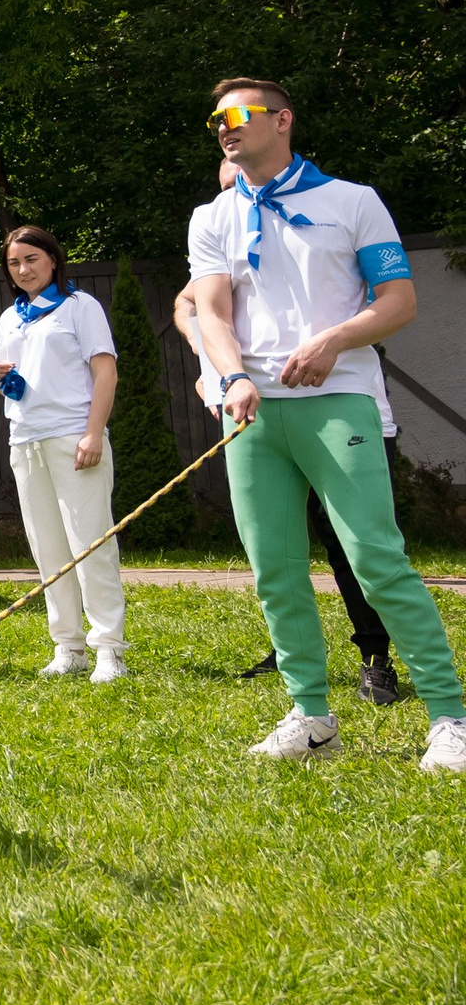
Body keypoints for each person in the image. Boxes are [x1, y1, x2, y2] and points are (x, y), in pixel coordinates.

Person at [186, 79, 460, 769]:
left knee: (375, 561)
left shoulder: (352, 201)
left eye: (239, 114)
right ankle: (311, 715)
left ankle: (451, 716)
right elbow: (212, 313)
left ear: (282, 120)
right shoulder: (212, 217)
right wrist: (233, 376)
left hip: (339, 401)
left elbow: (399, 300)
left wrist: (334, 340)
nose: (225, 125)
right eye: (216, 118)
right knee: (275, 568)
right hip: (250, 412)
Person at [177, 282, 404, 702]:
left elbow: (395, 302)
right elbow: (187, 301)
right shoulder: (231, 235)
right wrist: (208, 356)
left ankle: (376, 660)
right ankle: (292, 653)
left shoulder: (324, 233)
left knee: (352, 547)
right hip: (265, 420)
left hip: (346, 411)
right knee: (276, 550)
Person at [0, 226, 127, 682]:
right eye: (14, 263)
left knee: (90, 545)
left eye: (31, 259)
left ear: (52, 259)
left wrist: (93, 433)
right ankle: (68, 645)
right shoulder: (10, 317)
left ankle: (109, 648)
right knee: (48, 549)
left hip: (74, 437)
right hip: (25, 439)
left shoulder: (80, 306)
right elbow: (16, 377)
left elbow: (104, 372)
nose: (23, 270)